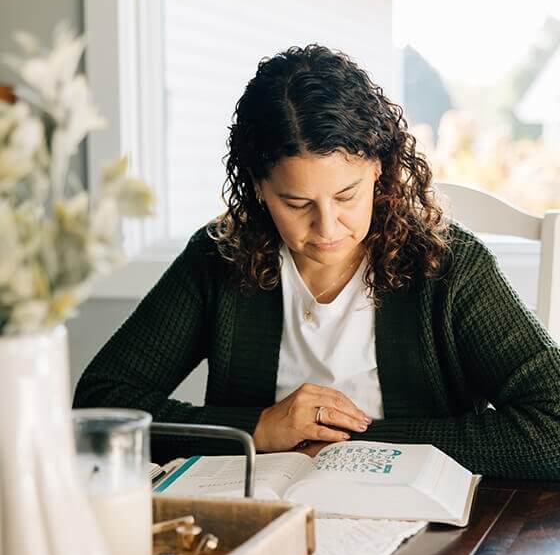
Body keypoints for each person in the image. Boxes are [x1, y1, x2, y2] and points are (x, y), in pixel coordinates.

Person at [74, 45, 560, 479]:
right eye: (296, 203)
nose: (328, 228)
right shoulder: (217, 258)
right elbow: (101, 401)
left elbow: (554, 422)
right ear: (260, 190)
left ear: (377, 168)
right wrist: (260, 428)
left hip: (425, 542)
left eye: (346, 195)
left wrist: (355, 441)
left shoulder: (449, 267)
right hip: (258, 524)